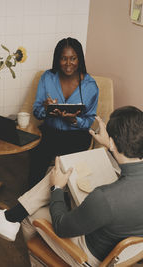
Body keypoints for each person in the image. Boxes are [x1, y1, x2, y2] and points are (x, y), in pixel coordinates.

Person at [0, 106, 143, 266]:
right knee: (64, 169)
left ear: (114, 143)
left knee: (31, 216)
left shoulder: (105, 199)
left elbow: (61, 226)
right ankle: (9, 217)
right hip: (135, 250)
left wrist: (57, 189)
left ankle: (15, 221)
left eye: (111, 142)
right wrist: (110, 144)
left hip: (91, 256)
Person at [29, 37, 98, 188]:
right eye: (63, 58)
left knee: (68, 166)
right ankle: (31, 193)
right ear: (57, 59)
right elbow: (36, 111)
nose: (68, 64)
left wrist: (74, 120)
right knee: (37, 153)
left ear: (79, 59)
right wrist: (46, 110)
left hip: (77, 135)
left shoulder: (90, 86)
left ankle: (60, 195)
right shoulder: (47, 78)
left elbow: (90, 119)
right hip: (50, 131)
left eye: (73, 58)